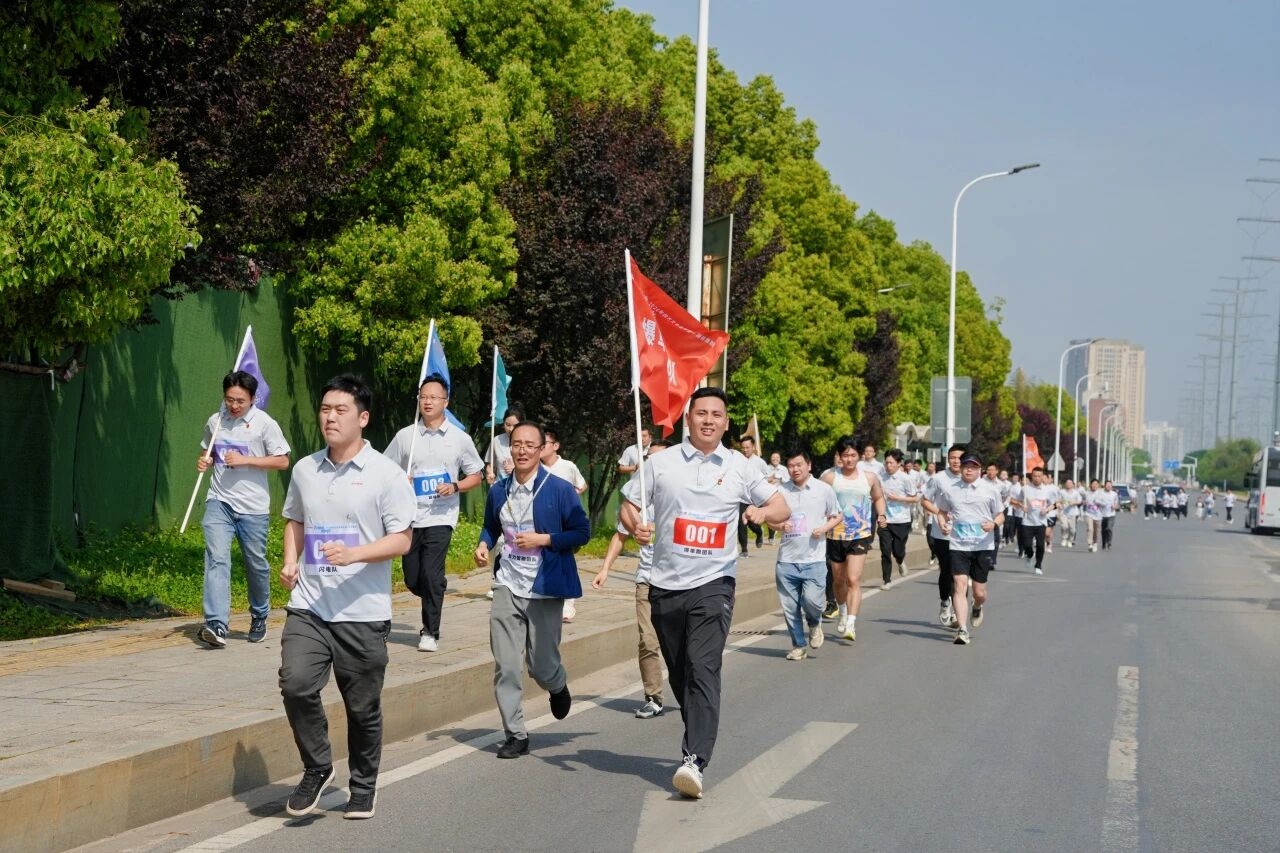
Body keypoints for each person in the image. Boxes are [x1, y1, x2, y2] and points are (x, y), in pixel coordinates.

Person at [620, 387, 789, 800]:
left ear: (726, 423)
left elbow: (782, 507)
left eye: (716, 414)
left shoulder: (740, 466)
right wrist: (637, 525)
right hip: (665, 585)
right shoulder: (661, 463)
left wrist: (761, 511)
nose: (708, 420)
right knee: (681, 674)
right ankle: (695, 731)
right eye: (701, 413)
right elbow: (628, 505)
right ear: (688, 419)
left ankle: (694, 759)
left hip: (714, 584)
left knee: (703, 666)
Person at [278, 374, 416, 820]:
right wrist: (290, 560)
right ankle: (318, 766)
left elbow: (402, 540)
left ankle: (363, 787)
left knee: (362, 707)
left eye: (340, 410)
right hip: (310, 605)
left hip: (362, 611)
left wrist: (354, 554)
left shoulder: (386, 475)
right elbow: (295, 520)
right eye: (325, 409)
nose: (330, 418)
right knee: (296, 683)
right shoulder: (305, 469)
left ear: (363, 418)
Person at [475, 421, 590, 759]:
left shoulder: (559, 490)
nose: (522, 450)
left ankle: (556, 684)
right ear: (509, 448)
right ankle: (516, 734)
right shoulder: (499, 490)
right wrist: (483, 545)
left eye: (529, 445)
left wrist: (545, 539)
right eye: (516, 444)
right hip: (508, 583)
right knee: (507, 665)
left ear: (542, 450)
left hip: (545, 585)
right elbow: (491, 526)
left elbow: (582, 532)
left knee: (541, 664)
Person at [383, 373, 484, 652]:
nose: (427, 402)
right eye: (423, 397)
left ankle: (430, 631)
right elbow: (384, 468)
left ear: (445, 401)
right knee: (413, 578)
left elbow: (476, 475)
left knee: (429, 571)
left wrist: (455, 486)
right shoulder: (406, 436)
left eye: (433, 397)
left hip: (441, 516)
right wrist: (399, 480)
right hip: (410, 517)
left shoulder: (460, 439)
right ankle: (436, 586)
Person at [196, 370, 291, 648]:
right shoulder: (216, 421)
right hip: (219, 501)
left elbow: (283, 461)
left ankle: (260, 615)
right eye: (229, 399)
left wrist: (246, 460)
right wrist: (205, 461)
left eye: (240, 401)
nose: (234, 405)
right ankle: (216, 624)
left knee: (255, 564)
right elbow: (208, 452)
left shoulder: (265, 424)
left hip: (252, 507)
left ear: (252, 399)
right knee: (216, 558)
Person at [592, 441, 670, 718]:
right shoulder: (637, 500)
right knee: (648, 640)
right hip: (647, 580)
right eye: (650, 458)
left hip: (680, 582)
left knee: (679, 644)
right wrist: (605, 569)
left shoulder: (682, 495)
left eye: (660, 458)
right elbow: (620, 536)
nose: (654, 464)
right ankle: (653, 697)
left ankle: (688, 688)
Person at [768, 448, 840, 660]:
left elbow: (837, 516)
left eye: (799, 465)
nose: (795, 469)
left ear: (809, 465)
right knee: (790, 608)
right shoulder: (780, 492)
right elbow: (769, 519)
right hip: (787, 560)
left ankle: (815, 622)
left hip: (814, 559)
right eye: (790, 466)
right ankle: (798, 645)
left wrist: (824, 529)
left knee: (813, 602)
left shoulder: (824, 490)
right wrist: (780, 526)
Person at [931, 451, 1004, 645]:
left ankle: (977, 606)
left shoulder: (990, 490)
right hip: (958, 545)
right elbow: (942, 511)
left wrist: (994, 524)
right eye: (966, 466)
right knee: (960, 585)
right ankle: (962, 630)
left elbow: (1000, 514)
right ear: (961, 468)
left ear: (980, 469)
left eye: (973, 467)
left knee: (979, 592)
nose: (969, 470)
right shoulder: (951, 489)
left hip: (982, 546)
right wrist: (943, 524)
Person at [820, 436, 888, 641]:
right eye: (845, 455)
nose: (849, 459)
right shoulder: (829, 477)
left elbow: (878, 497)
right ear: (839, 456)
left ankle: (851, 622)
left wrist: (882, 514)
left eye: (852, 455)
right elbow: (817, 500)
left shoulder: (869, 477)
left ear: (859, 456)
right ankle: (842, 609)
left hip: (860, 534)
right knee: (838, 580)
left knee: (853, 579)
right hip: (835, 535)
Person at [540, 428, 588, 623]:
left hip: (565, 523)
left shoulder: (568, 466)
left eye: (544, 444)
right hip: (544, 522)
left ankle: (568, 601)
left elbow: (582, 485)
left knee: (565, 558)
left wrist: (569, 497)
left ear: (556, 446)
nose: (540, 447)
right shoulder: (536, 468)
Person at [922, 445, 965, 627]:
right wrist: (939, 513)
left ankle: (958, 613)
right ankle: (945, 601)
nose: (956, 461)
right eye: (952, 457)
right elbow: (925, 500)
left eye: (960, 458)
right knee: (946, 572)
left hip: (964, 535)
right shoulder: (938, 479)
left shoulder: (971, 478)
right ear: (948, 459)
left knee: (961, 576)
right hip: (942, 533)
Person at [878, 449, 918, 587]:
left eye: (891, 463)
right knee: (885, 550)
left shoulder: (905, 479)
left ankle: (900, 561)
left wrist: (898, 498)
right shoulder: (880, 477)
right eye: (886, 463)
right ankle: (886, 580)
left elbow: (915, 498)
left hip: (901, 520)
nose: (888, 466)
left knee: (898, 550)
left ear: (899, 463)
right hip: (885, 519)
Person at [1011, 467, 1059, 575]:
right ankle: (1029, 555)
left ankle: (1038, 565)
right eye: (1035, 476)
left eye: (1039, 476)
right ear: (1031, 476)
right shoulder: (1025, 489)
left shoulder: (1048, 490)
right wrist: (1022, 506)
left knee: (1040, 546)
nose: (1037, 478)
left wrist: (1046, 510)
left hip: (1041, 522)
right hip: (1027, 522)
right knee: (1027, 545)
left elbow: (1056, 504)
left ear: (1042, 477)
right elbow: (1015, 501)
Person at [737, 435, 773, 554]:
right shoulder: (738, 460)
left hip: (754, 499)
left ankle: (759, 532)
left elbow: (770, 477)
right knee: (741, 523)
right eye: (743, 448)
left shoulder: (759, 462)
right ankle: (744, 550)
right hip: (741, 497)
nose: (745, 450)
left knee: (752, 523)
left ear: (753, 447)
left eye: (747, 447)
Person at [484, 407, 523, 485]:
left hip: (521, 487)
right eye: (507, 425)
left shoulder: (528, 441)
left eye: (515, 426)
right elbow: (490, 465)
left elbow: (534, 468)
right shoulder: (496, 440)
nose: (511, 429)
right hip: (500, 486)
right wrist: (490, 473)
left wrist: (516, 470)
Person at [766, 452, 787, 543]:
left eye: (777, 457)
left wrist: (781, 479)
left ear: (780, 459)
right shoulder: (766, 468)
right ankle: (771, 535)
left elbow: (788, 481)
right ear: (770, 459)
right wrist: (769, 480)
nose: (775, 459)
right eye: (773, 457)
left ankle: (782, 530)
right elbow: (762, 480)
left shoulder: (784, 469)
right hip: (768, 494)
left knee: (780, 515)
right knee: (770, 514)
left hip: (781, 495)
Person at [1059, 479, 1084, 548]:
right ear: (1065, 484)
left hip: (1073, 513)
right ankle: (1064, 538)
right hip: (1063, 512)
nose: (1069, 484)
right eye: (1067, 483)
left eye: (1070, 483)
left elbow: (1080, 501)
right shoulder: (1062, 492)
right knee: (1064, 526)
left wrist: (1074, 503)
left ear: (1073, 485)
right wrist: (1059, 505)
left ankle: (1070, 540)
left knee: (1072, 529)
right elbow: (1058, 500)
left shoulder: (1076, 493)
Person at [1100, 480, 1120, 548]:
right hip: (1102, 515)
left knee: (1109, 528)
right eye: (1107, 485)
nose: (1108, 486)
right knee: (1103, 530)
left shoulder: (1114, 494)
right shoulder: (1101, 493)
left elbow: (1117, 504)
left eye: (1110, 485)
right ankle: (1103, 542)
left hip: (1111, 515)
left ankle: (1109, 543)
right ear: (1105, 486)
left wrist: (1115, 506)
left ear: (1111, 486)